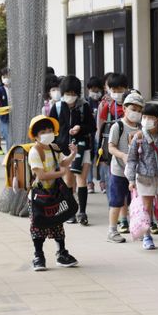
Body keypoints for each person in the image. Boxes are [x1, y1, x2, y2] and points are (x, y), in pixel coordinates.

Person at [26, 115, 79, 271]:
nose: (47, 133)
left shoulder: (54, 148)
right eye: (43, 131)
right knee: (38, 225)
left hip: (54, 193)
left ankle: (62, 253)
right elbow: (41, 175)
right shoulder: (34, 152)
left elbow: (63, 163)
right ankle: (38, 256)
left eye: (49, 130)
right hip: (38, 196)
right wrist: (61, 174)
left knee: (58, 222)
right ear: (35, 135)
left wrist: (72, 155)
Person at [125, 104, 158, 250]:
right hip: (143, 177)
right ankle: (147, 237)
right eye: (144, 117)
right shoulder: (139, 137)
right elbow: (131, 160)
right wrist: (131, 179)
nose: (146, 120)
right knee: (146, 207)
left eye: (150, 117)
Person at [49, 75, 96, 225]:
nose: (71, 97)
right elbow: (51, 128)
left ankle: (82, 212)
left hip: (82, 148)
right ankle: (70, 211)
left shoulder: (84, 106)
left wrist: (80, 128)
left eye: (73, 94)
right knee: (68, 180)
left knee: (81, 179)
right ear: (62, 93)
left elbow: (92, 126)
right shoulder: (56, 107)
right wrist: (55, 146)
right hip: (64, 149)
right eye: (68, 93)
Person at [106, 91, 144, 243]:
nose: (136, 113)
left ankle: (138, 228)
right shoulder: (118, 126)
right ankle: (112, 230)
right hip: (119, 171)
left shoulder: (142, 127)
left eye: (139, 110)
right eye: (133, 109)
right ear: (124, 108)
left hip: (137, 172)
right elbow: (111, 147)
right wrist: (122, 155)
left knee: (135, 202)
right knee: (116, 201)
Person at [85, 76, 105, 194]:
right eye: (93, 90)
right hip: (89, 135)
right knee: (89, 159)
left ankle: (103, 182)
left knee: (102, 158)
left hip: (101, 134)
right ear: (88, 90)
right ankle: (89, 183)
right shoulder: (86, 103)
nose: (95, 93)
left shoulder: (103, 102)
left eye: (97, 90)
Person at [0, 67, 11, 155]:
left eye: (8, 76)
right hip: (5, 116)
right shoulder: (0, 90)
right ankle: (9, 154)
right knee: (8, 137)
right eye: (4, 76)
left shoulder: (15, 89)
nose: (6, 78)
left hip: (15, 117)